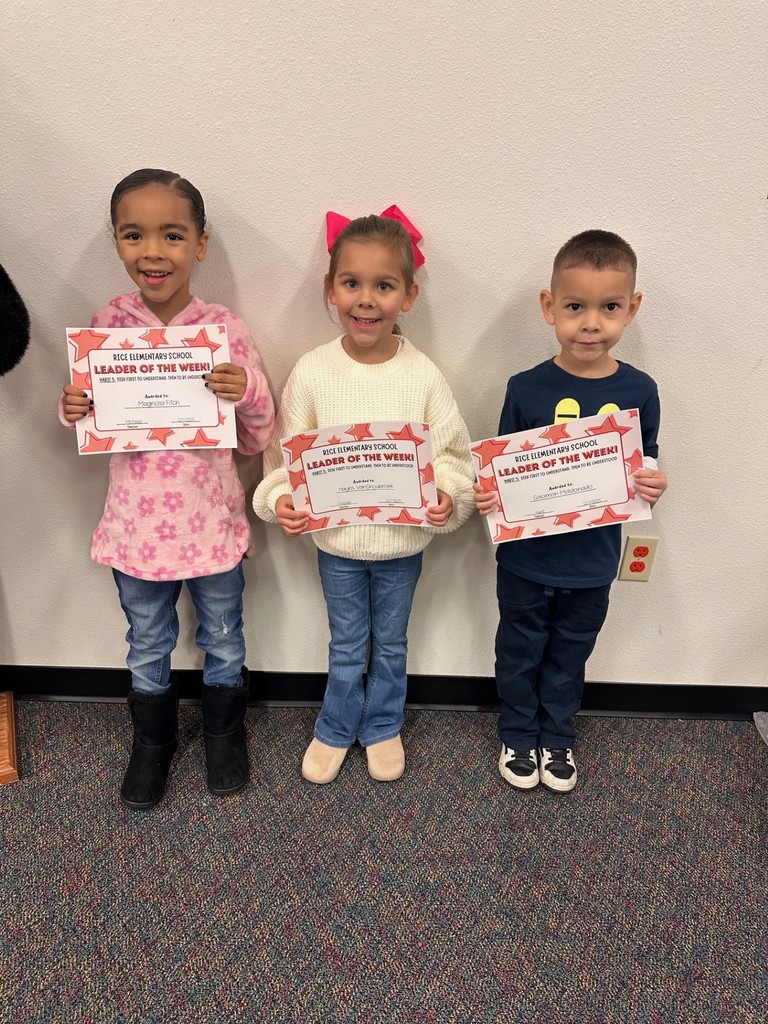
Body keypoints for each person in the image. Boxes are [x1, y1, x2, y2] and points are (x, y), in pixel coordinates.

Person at [60, 168, 274, 809]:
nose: (153, 251)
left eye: (173, 235)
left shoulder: (222, 330)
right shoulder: (106, 327)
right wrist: (74, 407)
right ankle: (152, 743)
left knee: (225, 636)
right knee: (148, 641)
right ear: (117, 242)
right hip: (135, 529)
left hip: (210, 526)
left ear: (200, 245)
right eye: (134, 235)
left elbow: (257, 438)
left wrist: (248, 393)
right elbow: (91, 423)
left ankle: (222, 733)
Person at [253, 211, 474, 785]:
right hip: (337, 546)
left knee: (392, 643)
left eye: (384, 285)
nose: (366, 300)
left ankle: (382, 725)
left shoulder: (422, 375)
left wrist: (448, 497)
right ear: (331, 290)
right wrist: (279, 500)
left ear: (409, 295)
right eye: (351, 283)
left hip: (403, 545)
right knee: (348, 642)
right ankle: (334, 725)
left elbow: (453, 456)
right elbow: (282, 456)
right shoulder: (312, 372)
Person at [475, 230, 667, 793]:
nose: (591, 323)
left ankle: (556, 737)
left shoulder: (641, 389)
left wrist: (652, 481)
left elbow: (645, 457)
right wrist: (490, 494)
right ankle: (517, 732)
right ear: (548, 306)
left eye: (609, 308)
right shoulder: (525, 387)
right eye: (575, 307)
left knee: (571, 651)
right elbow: (503, 465)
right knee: (519, 646)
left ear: (631, 309)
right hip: (524, 558)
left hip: (592, 557)